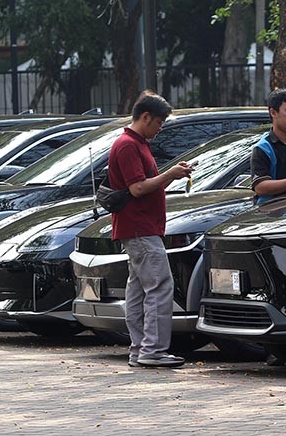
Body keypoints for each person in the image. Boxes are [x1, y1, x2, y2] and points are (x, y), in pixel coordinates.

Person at [108, 91, 193, 368]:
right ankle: (153, 350)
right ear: (146, 117)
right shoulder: (128, 145)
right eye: (159, 123)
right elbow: (138, 188)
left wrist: (169, 175)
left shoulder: (136, 143)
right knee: (159, 286)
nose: (160, 129)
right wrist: (169, 175)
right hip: (139, 228)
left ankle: (139, 349)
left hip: (140, 227)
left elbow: (145, 186)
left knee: (139, 290)